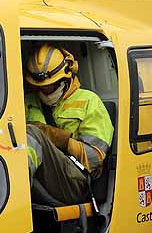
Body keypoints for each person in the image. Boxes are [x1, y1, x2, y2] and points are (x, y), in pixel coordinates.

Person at [23, 44, 113, 205]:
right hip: (41, 177)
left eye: (51, 86)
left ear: (66, 78)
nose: (46, 92)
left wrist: (60, 139)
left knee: (31, 132)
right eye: (41, 88)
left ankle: (18, 186)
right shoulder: (27, 102)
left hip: (74, 180)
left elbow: (94, 159)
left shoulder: (89, 101)